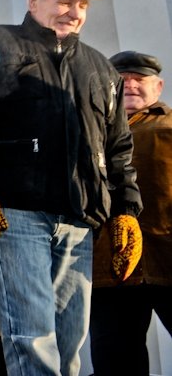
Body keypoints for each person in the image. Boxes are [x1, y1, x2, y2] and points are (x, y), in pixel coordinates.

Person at [0, 0, 143, 376]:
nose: (75, 12)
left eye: (83, 5)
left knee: (70, 347)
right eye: (66, 0)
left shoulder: (102, 70)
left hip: (80, 221)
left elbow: (119, 149)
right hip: (17, 215)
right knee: (31, 338)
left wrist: (126, 211)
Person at [91, 50, 171, 375]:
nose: (132, 85)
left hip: (168, 260)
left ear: (159, 86)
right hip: (109, 268)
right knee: (116, 361)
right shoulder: (91, 130)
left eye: (140, 79)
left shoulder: (169, 125)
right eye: (123, 79)